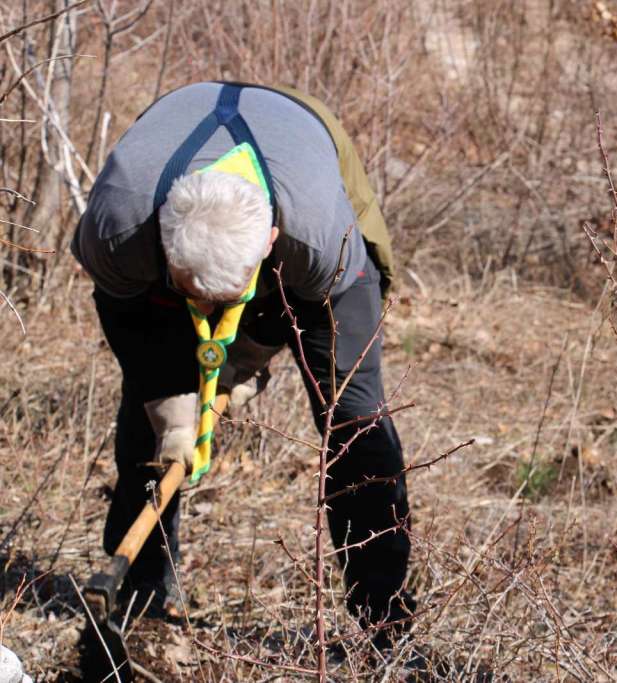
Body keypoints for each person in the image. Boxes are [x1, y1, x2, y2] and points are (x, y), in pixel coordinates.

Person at [71, 81, 413, 648]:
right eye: (194, 294)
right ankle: (140, 595)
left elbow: (327, 312)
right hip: (176, 158)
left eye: (223, 300)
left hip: (304, 144)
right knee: (149, 408)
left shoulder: (317, 236)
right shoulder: (119, 228)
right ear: (163, 241)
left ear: (270, 241)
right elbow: (129, 322)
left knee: (355, 419)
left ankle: (384, 619)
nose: (207, 311)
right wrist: (173, 408)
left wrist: (244, 361)